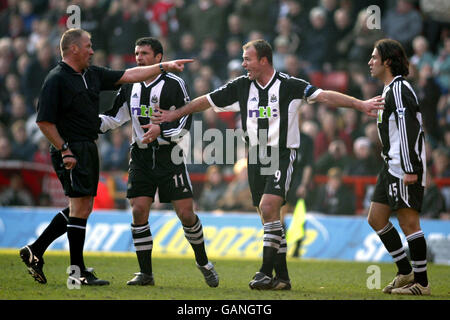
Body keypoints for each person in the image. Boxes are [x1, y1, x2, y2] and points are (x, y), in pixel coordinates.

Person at [147, 39, 384, 290]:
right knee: (267, 217)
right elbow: (207, 99)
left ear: (264, 60)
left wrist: (360, 104)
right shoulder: (241, 86)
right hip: (256, 156)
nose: (243, 63)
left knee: (268, 206)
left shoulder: (289, 85)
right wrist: (175, 114)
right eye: (243, 58)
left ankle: (263, 272)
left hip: (281, 154)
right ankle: (282, 278)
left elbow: (324, 96)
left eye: (247, 59)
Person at [19, 28, 192, 286]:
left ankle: (37, 249)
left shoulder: (92, 74)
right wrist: (64, 149)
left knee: (82, 208)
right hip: (72, 149)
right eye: (88, 46)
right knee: (80, 208)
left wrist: (163, 66)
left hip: (87, 146)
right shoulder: (56, 79)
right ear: (74, 48)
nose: (92, 50)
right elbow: (44, 121)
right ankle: (76, 273)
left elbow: (130, 75)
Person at [99, 37, 218, 287]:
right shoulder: (130, 84)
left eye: (144, 53)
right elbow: (115, 116)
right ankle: (146, 273)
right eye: (136, 53)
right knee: (139, 210)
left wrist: (161, 131)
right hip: (141, 156)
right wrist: (87, 124)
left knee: (186, 214)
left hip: (169, 156)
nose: (139, 58)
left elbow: (186, 120)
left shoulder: (174, 83)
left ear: (159, 58)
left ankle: (203, 261)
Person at [367, 38, 430, 295]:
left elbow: (407, 130)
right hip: (390, 165)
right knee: (376, 218)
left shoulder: (400, 89)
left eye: (374, 57)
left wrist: (411, 168)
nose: (370, 62)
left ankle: (422, 283)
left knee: (409, 223)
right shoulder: (389, 90)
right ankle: (405, 272)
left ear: (388, 61)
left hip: (403, 167)